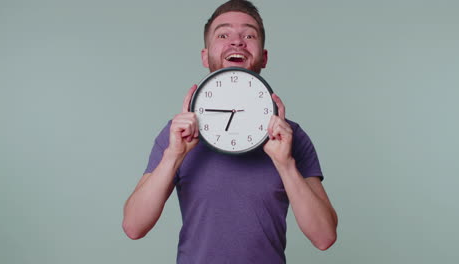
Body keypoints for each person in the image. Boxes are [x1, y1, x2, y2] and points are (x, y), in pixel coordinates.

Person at [122, 1, 338, 263]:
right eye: (223, 35)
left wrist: (286, 165)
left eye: (249, 35)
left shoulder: (290, 136)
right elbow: (133, 227)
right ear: (205, 56)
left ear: (264, 57)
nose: (237, 42)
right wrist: (174, 156)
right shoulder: (176, 135)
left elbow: (324, 237)